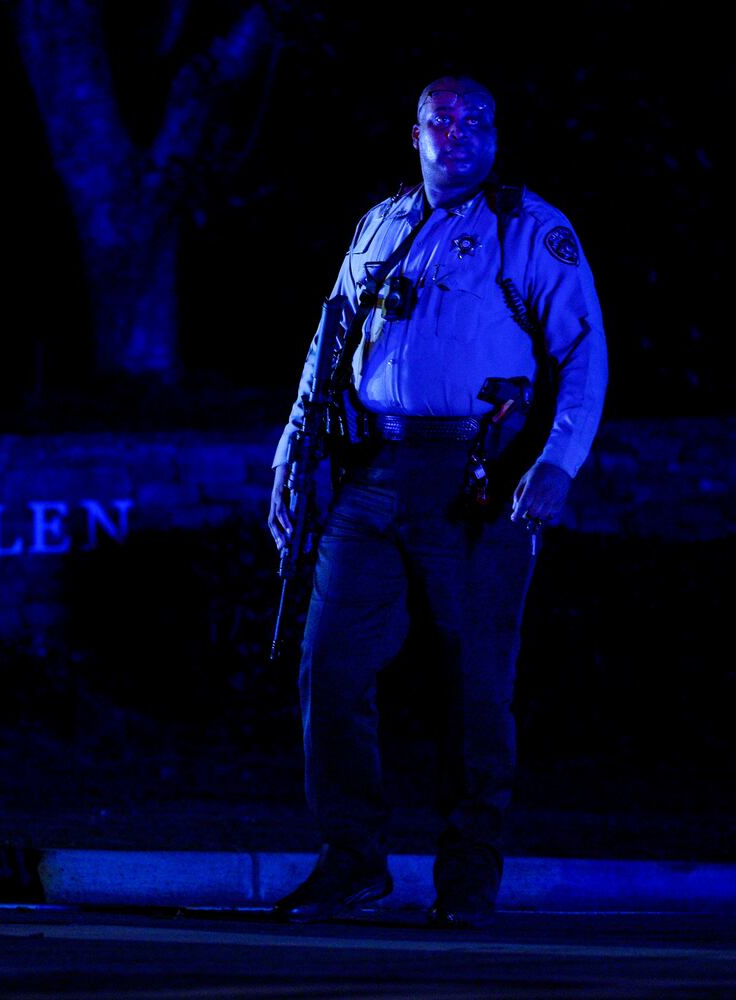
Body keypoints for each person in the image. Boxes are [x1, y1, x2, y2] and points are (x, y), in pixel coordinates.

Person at [265, 77, 607, 928]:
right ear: (414, 132)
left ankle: (468, 878)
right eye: (440, 120)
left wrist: (559, 462)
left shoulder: (529, 228)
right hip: (372, 470)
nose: (456, 134)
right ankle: (351, 861)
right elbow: (327, 344)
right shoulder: (381, 223)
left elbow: (583, 351)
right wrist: (290, 457)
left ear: (495, 133)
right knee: (329, 665)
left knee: (475, 681)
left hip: (478, 474)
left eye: (474, 121)